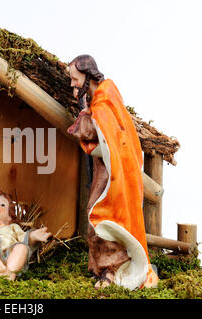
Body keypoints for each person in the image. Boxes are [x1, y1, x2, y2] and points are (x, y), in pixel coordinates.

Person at [67, 55, 159, 290]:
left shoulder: (105, 100)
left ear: (88, 75)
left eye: (74, 79)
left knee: (104, 217)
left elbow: (103, 138)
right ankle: (102, 268)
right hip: (106, 168)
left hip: (114, 172)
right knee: (97, 216)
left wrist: (86, 116)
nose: (72, 84)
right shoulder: (99, 100)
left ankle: (113, 269)